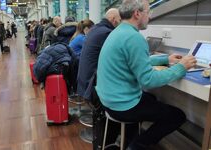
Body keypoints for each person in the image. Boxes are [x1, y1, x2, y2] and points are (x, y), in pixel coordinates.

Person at [95, 0, 197, 149]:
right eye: (148, 12)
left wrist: (165, 58)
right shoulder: (134, 38)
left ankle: (130, 138)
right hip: (122, 106)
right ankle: (137, 145)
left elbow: (135, 60)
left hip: (108, 101)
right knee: (177, 116)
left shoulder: (118, 32)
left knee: (151, 98)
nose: (149, 16)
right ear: (137, 13)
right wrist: (181, 67)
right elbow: (148, 80)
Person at [76, 8, 121, 149]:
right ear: (114, 19)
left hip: (84, 82)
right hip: (92, 86)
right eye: (120, 21)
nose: (121, 24)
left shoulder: (96, 29)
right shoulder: (107, 33)